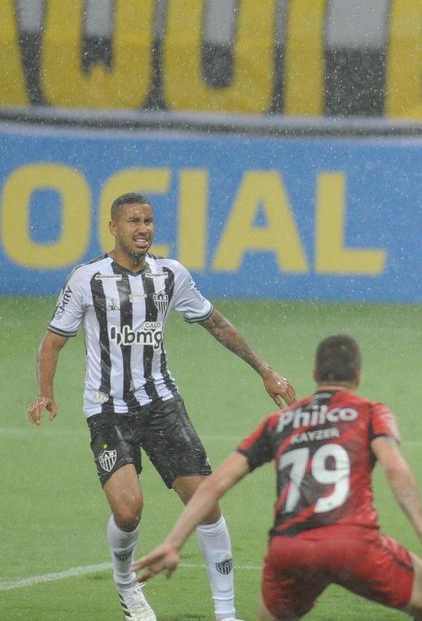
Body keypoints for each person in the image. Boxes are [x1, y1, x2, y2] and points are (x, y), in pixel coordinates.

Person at [27, 192, 297, 621]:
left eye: (149, 221)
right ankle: (126, 585)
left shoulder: (171, 275)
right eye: (133, 221)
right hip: (108, 409)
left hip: (161, 403)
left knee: (206, 502)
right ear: (113, 227)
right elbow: (53, 340)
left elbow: (216, 323)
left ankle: (226, 614)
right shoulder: (87, 279)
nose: (143, 229)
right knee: (129, 510)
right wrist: (45, 391)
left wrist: (264, 370)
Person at [132, 334, 422, 620]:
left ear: (315, 376)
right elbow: (396, 469)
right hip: (352, 542)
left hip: (290, 550)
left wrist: (174, 542)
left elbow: (216, 483)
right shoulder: (370, 411)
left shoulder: (280, 422)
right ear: (357, 376)